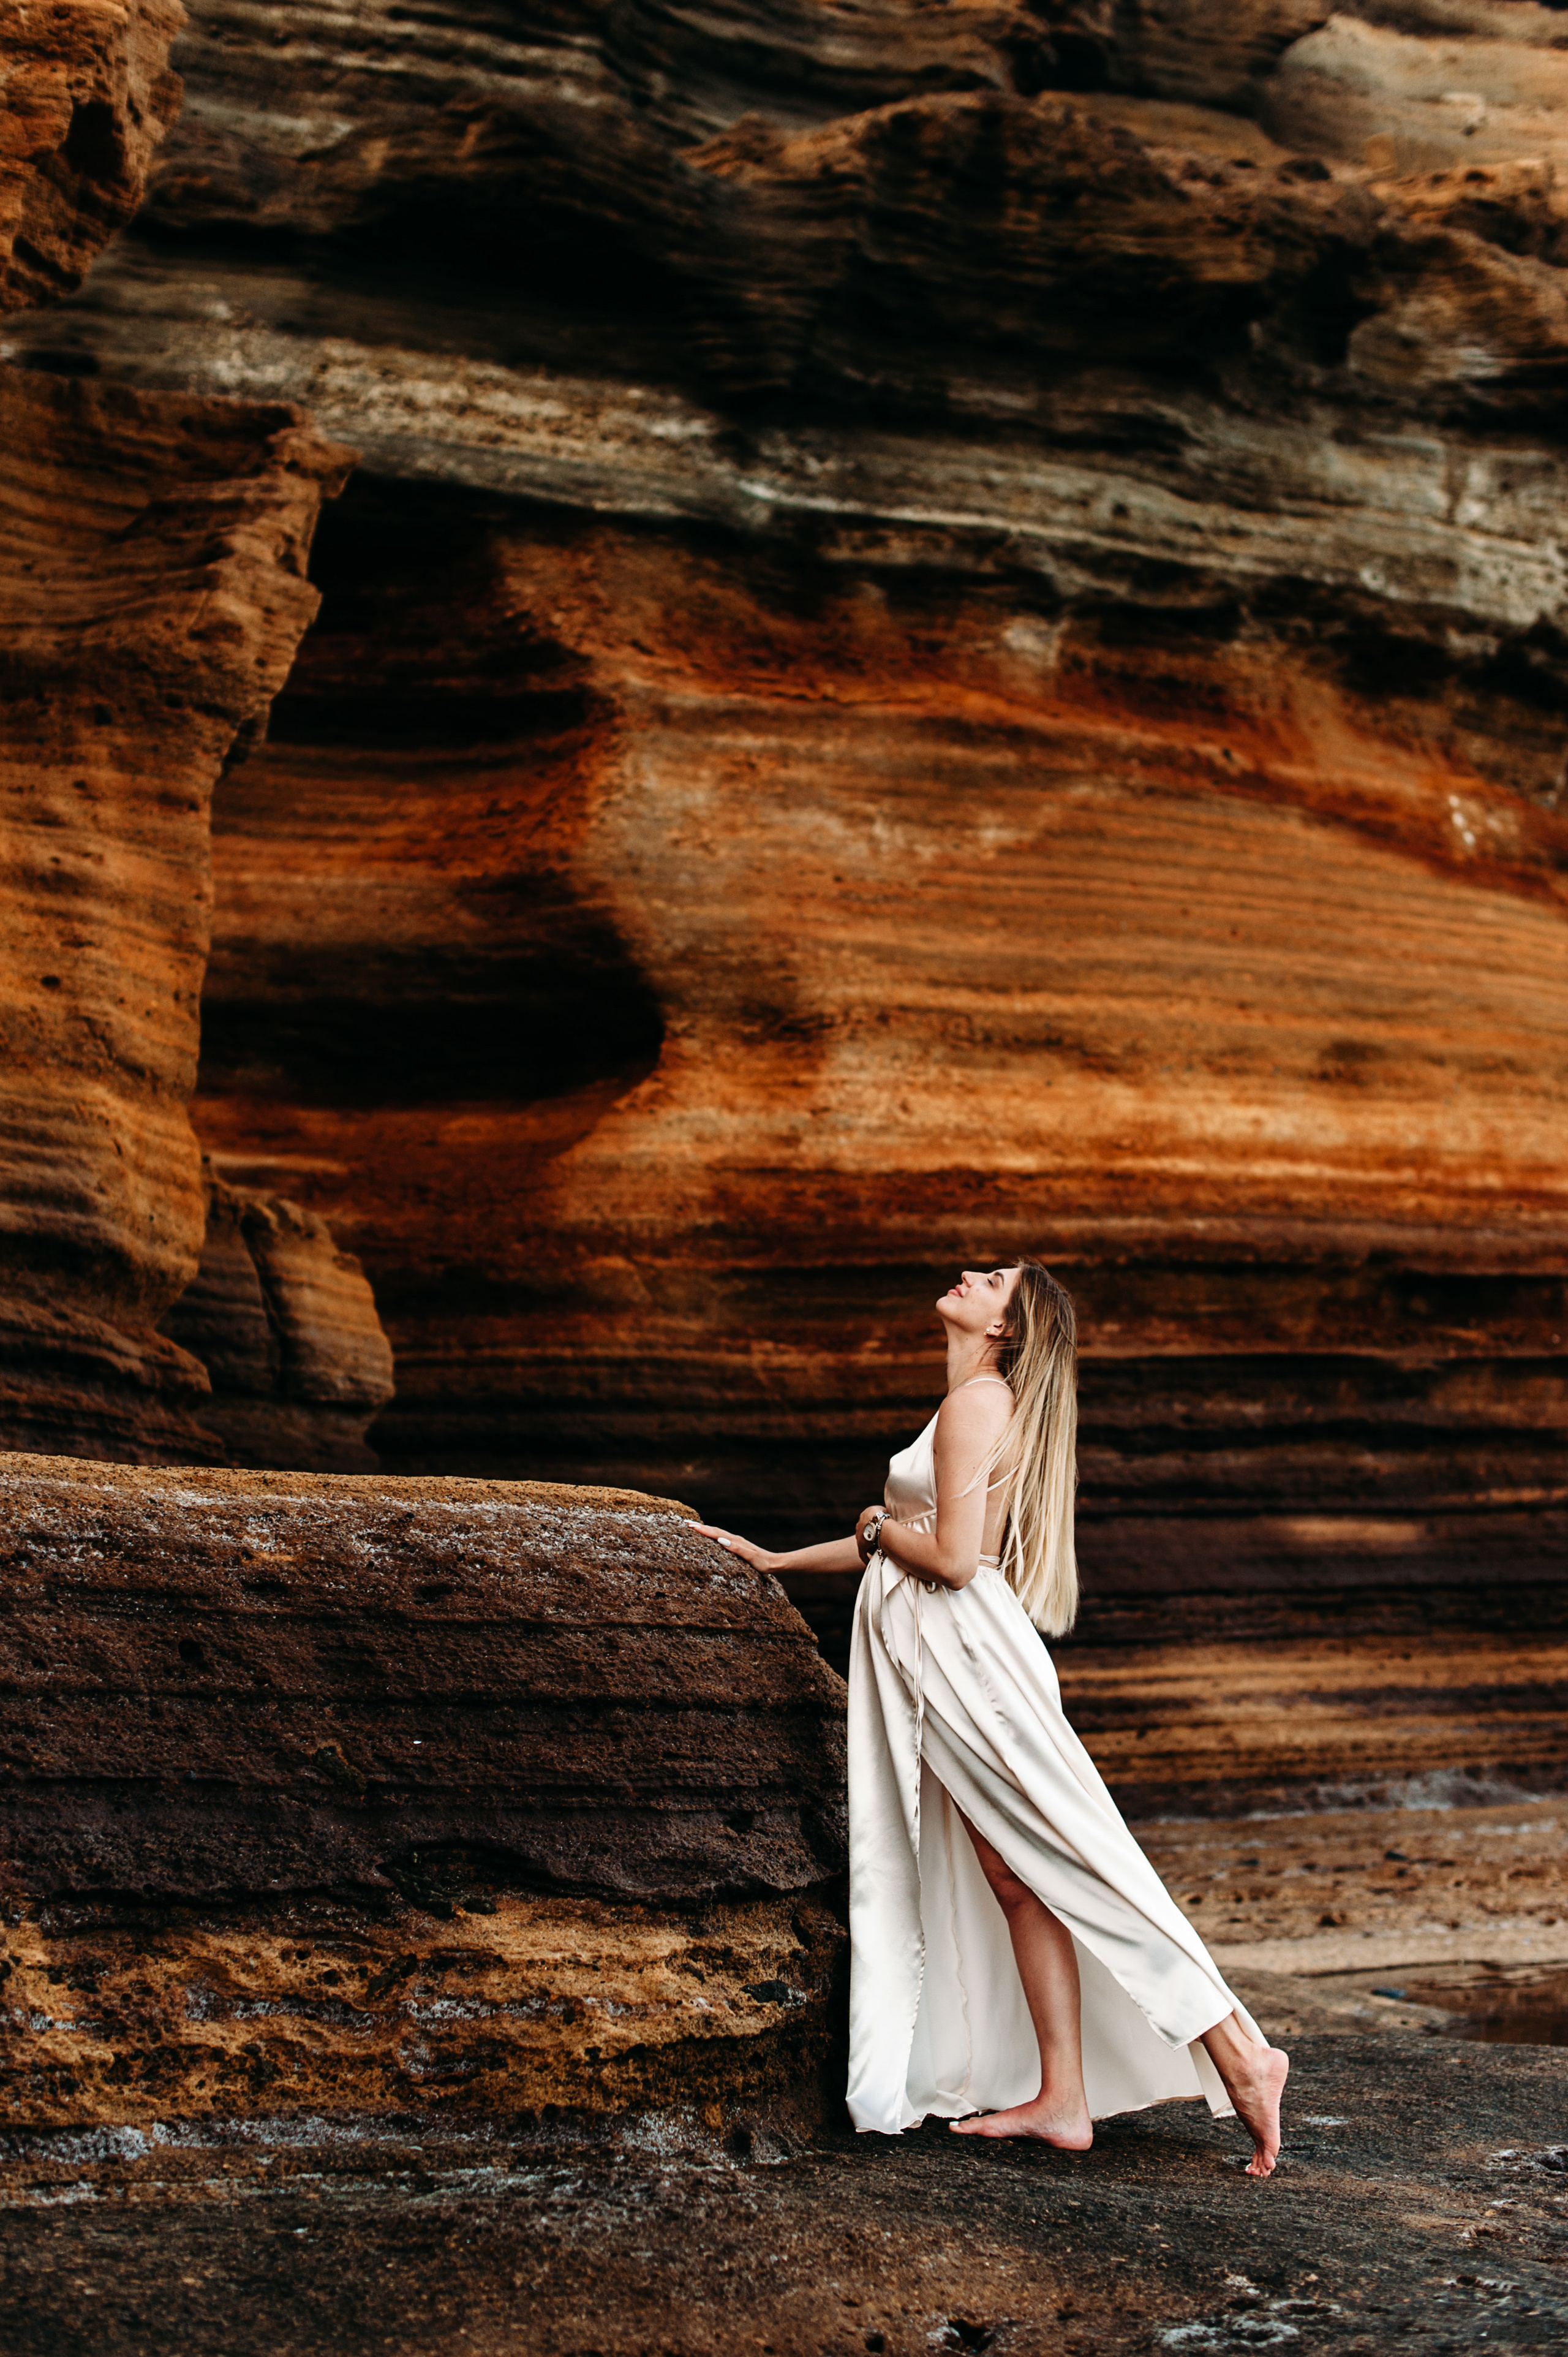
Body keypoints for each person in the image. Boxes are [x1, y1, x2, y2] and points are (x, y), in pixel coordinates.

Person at [695, 1260, 1289, 2177]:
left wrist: (866, 1531)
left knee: (1071, 1855)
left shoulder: (980, 1404)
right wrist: (777, 1560)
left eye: (996, 1278)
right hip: (956, 1652)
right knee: (1016, 1870)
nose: (972, 1274)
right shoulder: (975, 1403)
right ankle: (1065, 2098)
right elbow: (903, 1540)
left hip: (969, 1657)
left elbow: (952, 1561)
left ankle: (1239, 2052)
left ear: (1007, 1328)